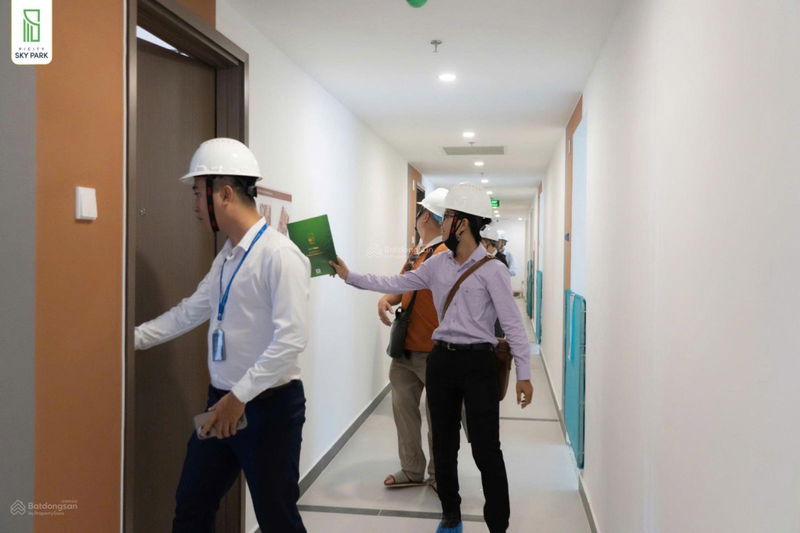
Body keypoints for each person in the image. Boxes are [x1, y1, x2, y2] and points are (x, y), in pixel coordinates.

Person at [329, 182, 534, 533]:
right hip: (442, 362)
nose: (442, 223)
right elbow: (395, 282)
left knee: (486, 449)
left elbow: (514, 326)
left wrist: (525, 374)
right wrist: (350, 277)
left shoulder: (492, 269)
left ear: (463, 223)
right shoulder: (437, 263)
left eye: (448, 216)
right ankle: (451, 517)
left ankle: (497, 524)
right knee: (444, 446)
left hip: (480, 365)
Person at [134, 138, 311, 533]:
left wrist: (239, 397)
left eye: (198, 193)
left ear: (225, 193)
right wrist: (130, 339)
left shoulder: (279, 255)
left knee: (277, 519)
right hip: (221, 404)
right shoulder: (227, 256)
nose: (195, 205)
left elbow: (291, 339)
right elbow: (190, 311)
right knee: (191, 507)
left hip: (268, 409)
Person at [378, 187, 449, 489]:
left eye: (419, 212)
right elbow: (403, 284)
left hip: (436, 352)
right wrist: (388, 298)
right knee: (404, 414)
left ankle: (440, 475)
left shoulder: (446, 255)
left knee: (439, 419)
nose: (416, 217)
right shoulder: (418, 252)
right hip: (404, 350)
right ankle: (411, 469)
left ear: (426, 217)